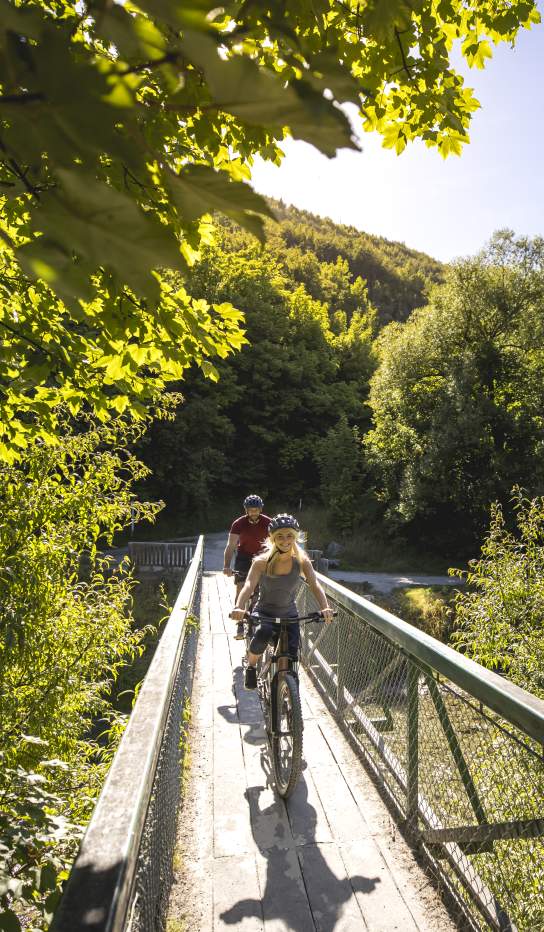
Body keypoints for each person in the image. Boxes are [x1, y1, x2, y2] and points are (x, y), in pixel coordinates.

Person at [230, 514, 334, 689]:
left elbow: (315, 585)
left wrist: (325, 607)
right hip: (264, 613)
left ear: (295, 537)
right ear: (272, 538)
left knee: (292, 653)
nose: (285, 540)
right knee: (262, 633)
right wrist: (239, 607)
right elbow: (248, 586)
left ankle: (285, 689)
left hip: (289, 614)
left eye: (289, 536)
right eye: (280, 536)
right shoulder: (261, 562)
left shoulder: (302, 562)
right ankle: (251, 666)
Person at [223, 494, 271, 638]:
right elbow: (231, 546)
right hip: (243, 557)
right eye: (251, 510)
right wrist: (226, 566)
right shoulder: (239, 523)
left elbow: (276, 544)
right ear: (246, 510)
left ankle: (253, 621)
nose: (254, 512)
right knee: (241, 586)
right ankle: (239, 624)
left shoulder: (268, 522)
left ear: (260, 509)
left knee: (258, 591)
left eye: (256, 510)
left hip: (261, 557)